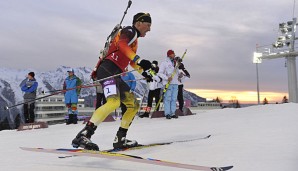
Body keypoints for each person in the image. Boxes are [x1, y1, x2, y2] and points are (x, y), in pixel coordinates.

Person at [72, 12, 154, 151]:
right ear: (139, 23)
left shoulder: (134, 40)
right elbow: (122, 45)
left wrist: (144, 72)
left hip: (115, 73)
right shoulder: (130, 31)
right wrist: (138, 59)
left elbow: (130, 61)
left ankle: (120, 139)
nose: (149, 29)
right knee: (113, 102)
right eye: (148, 25)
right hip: (108, 70)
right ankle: (84, 134)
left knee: (133, 105)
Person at [158, 50, 180, 119]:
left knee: (174, 99)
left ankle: (173, 113)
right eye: (173, 54)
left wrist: (180, 75)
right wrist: (167, 78)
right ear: (169, 55)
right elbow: (160, 73)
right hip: (168, 83)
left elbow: (177, 72)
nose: (174, 55)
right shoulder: (164, 63)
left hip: (175, 83)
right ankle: (167, 113)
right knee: (168, 98)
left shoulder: (176, 63)